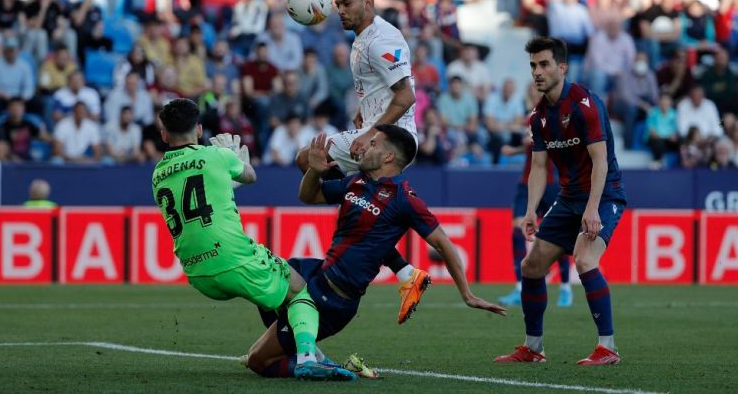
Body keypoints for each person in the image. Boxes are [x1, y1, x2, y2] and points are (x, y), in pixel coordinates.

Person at [244, 125, 506, 378]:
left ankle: (333, 369)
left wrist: (467, 294)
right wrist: (314, 171)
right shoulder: (357, 180)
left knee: (257, 361)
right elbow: (308, 196)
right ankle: (312, 355)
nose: (363, 148)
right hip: (319, 273)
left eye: (372, 144)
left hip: (334, 299)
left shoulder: (405, 198)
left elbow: (443, 243)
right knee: (267, 279)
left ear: (388, 156)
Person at [151, 98, 355, 381]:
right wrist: (236, 157)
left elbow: (205, 192)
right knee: (299, 289)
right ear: (199, 130)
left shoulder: (158, 174)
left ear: (164, 134)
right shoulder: (216, 156)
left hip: (197, 273)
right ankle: (308, 357)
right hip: (232, 258)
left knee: (276, 298)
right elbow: (250, 176)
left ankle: (312, 356)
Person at [295, 0, 428, 325]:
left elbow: (406, 96)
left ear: (368, 3)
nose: (339, 10)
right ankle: (406, 273)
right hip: (379, 132)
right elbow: (383, 92)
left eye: (347, 3)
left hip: (393, 141)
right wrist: (365, 113)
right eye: (337, 4)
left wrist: (369, 131)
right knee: (361, 206)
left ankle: (404, 272)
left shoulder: (380, 39)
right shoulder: (363, 39)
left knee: (306, 159)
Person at [494, 37, 626, 365]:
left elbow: (601, 162)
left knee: (584, 260)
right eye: (533, 66)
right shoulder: (538, 116)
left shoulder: (586, 104)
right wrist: (529, 210)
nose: (537, 72)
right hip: (568, 199)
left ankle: (608, 348)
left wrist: (593, 207)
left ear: (562, 67)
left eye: (544, 65)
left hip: (604, 195)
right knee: (531, 266)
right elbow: (539, 167)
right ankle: (533, 348)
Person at [497, 133, 572, 308]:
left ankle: (565, 288)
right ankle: (519, 288)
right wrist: (516, 151)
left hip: (550, 184)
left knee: (557, 235)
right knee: (517, 231)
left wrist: (538, 139)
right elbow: (530, 146)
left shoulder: (557, 114)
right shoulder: (531, 116)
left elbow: (561, 143)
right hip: (527, 183)